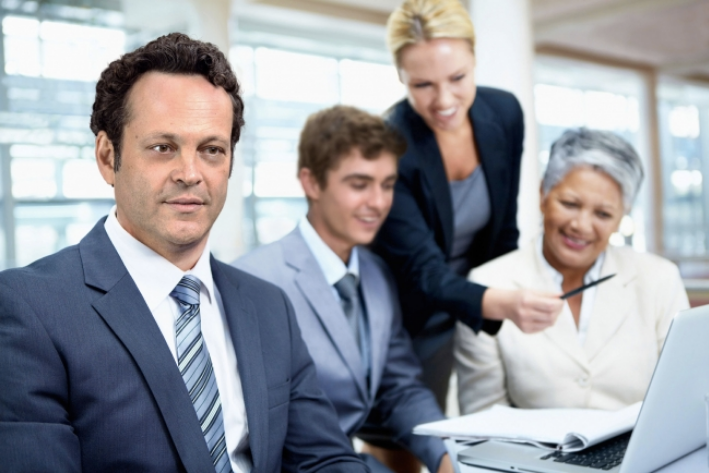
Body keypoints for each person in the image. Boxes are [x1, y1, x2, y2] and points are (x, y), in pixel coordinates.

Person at [0, 33, 368, 473]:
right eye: (163, 148)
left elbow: (324, 461)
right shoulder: (29, 309)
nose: (190, 174)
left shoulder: (268, 307)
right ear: (106, 156)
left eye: (211, 150)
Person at [233, 105, 453, 473]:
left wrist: (446, 456)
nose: (379, 202)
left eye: (387, 185)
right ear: (312, 182)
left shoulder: (377, 275)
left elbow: (399, 388)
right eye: (359, 184)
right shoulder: (255, 282)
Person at [372, 0, 562, 409]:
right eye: (422, 84)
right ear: (401, 77)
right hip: (413, 307)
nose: (444, 100)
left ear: (475, 59)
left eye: (457, 77)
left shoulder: (505, 112)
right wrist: (503, 303)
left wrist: (512, 295)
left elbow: (503, 229)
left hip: (485, 291)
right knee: (410, 435)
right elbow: (423, 272)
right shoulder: (388, 144)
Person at [454, 128, 690, 414]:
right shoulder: (489, 285)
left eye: (603, 214)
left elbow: (683, 401)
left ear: (620, 218)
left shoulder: (659, 279)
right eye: (569, 204)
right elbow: (483, 422)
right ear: (543, 194)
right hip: (531, 459)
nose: (581, 225)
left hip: (643, 456)